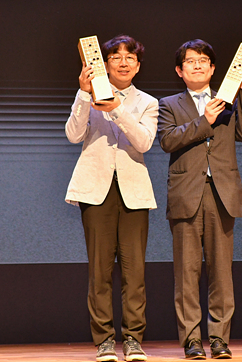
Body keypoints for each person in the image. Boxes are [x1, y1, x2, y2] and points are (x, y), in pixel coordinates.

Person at [157, 39, 242, 359]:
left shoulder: (227, 99)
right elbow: (168, 140)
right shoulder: (169, 104)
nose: (197, 65)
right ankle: (191, 340)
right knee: (187, 273)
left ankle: (219, 339)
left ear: (213, 69)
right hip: (186, 193)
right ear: (180, 70)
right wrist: (205, 121)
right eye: (190, 61)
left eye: (203, 60)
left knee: (221, 272)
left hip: (221, 193)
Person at [65, 35, 158, 362]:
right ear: (104, 64)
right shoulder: (88, 96)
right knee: (100, 271)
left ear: (138, 65)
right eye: (115, 56)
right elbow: (73, 134)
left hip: (134, 192)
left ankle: (133, 339)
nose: (123, 62)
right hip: (96, 190)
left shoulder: (148, 102)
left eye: (129, 57)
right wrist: (83, 93)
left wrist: (117, 108)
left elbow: (144, 142)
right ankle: (104, 340)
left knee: (134, 273)